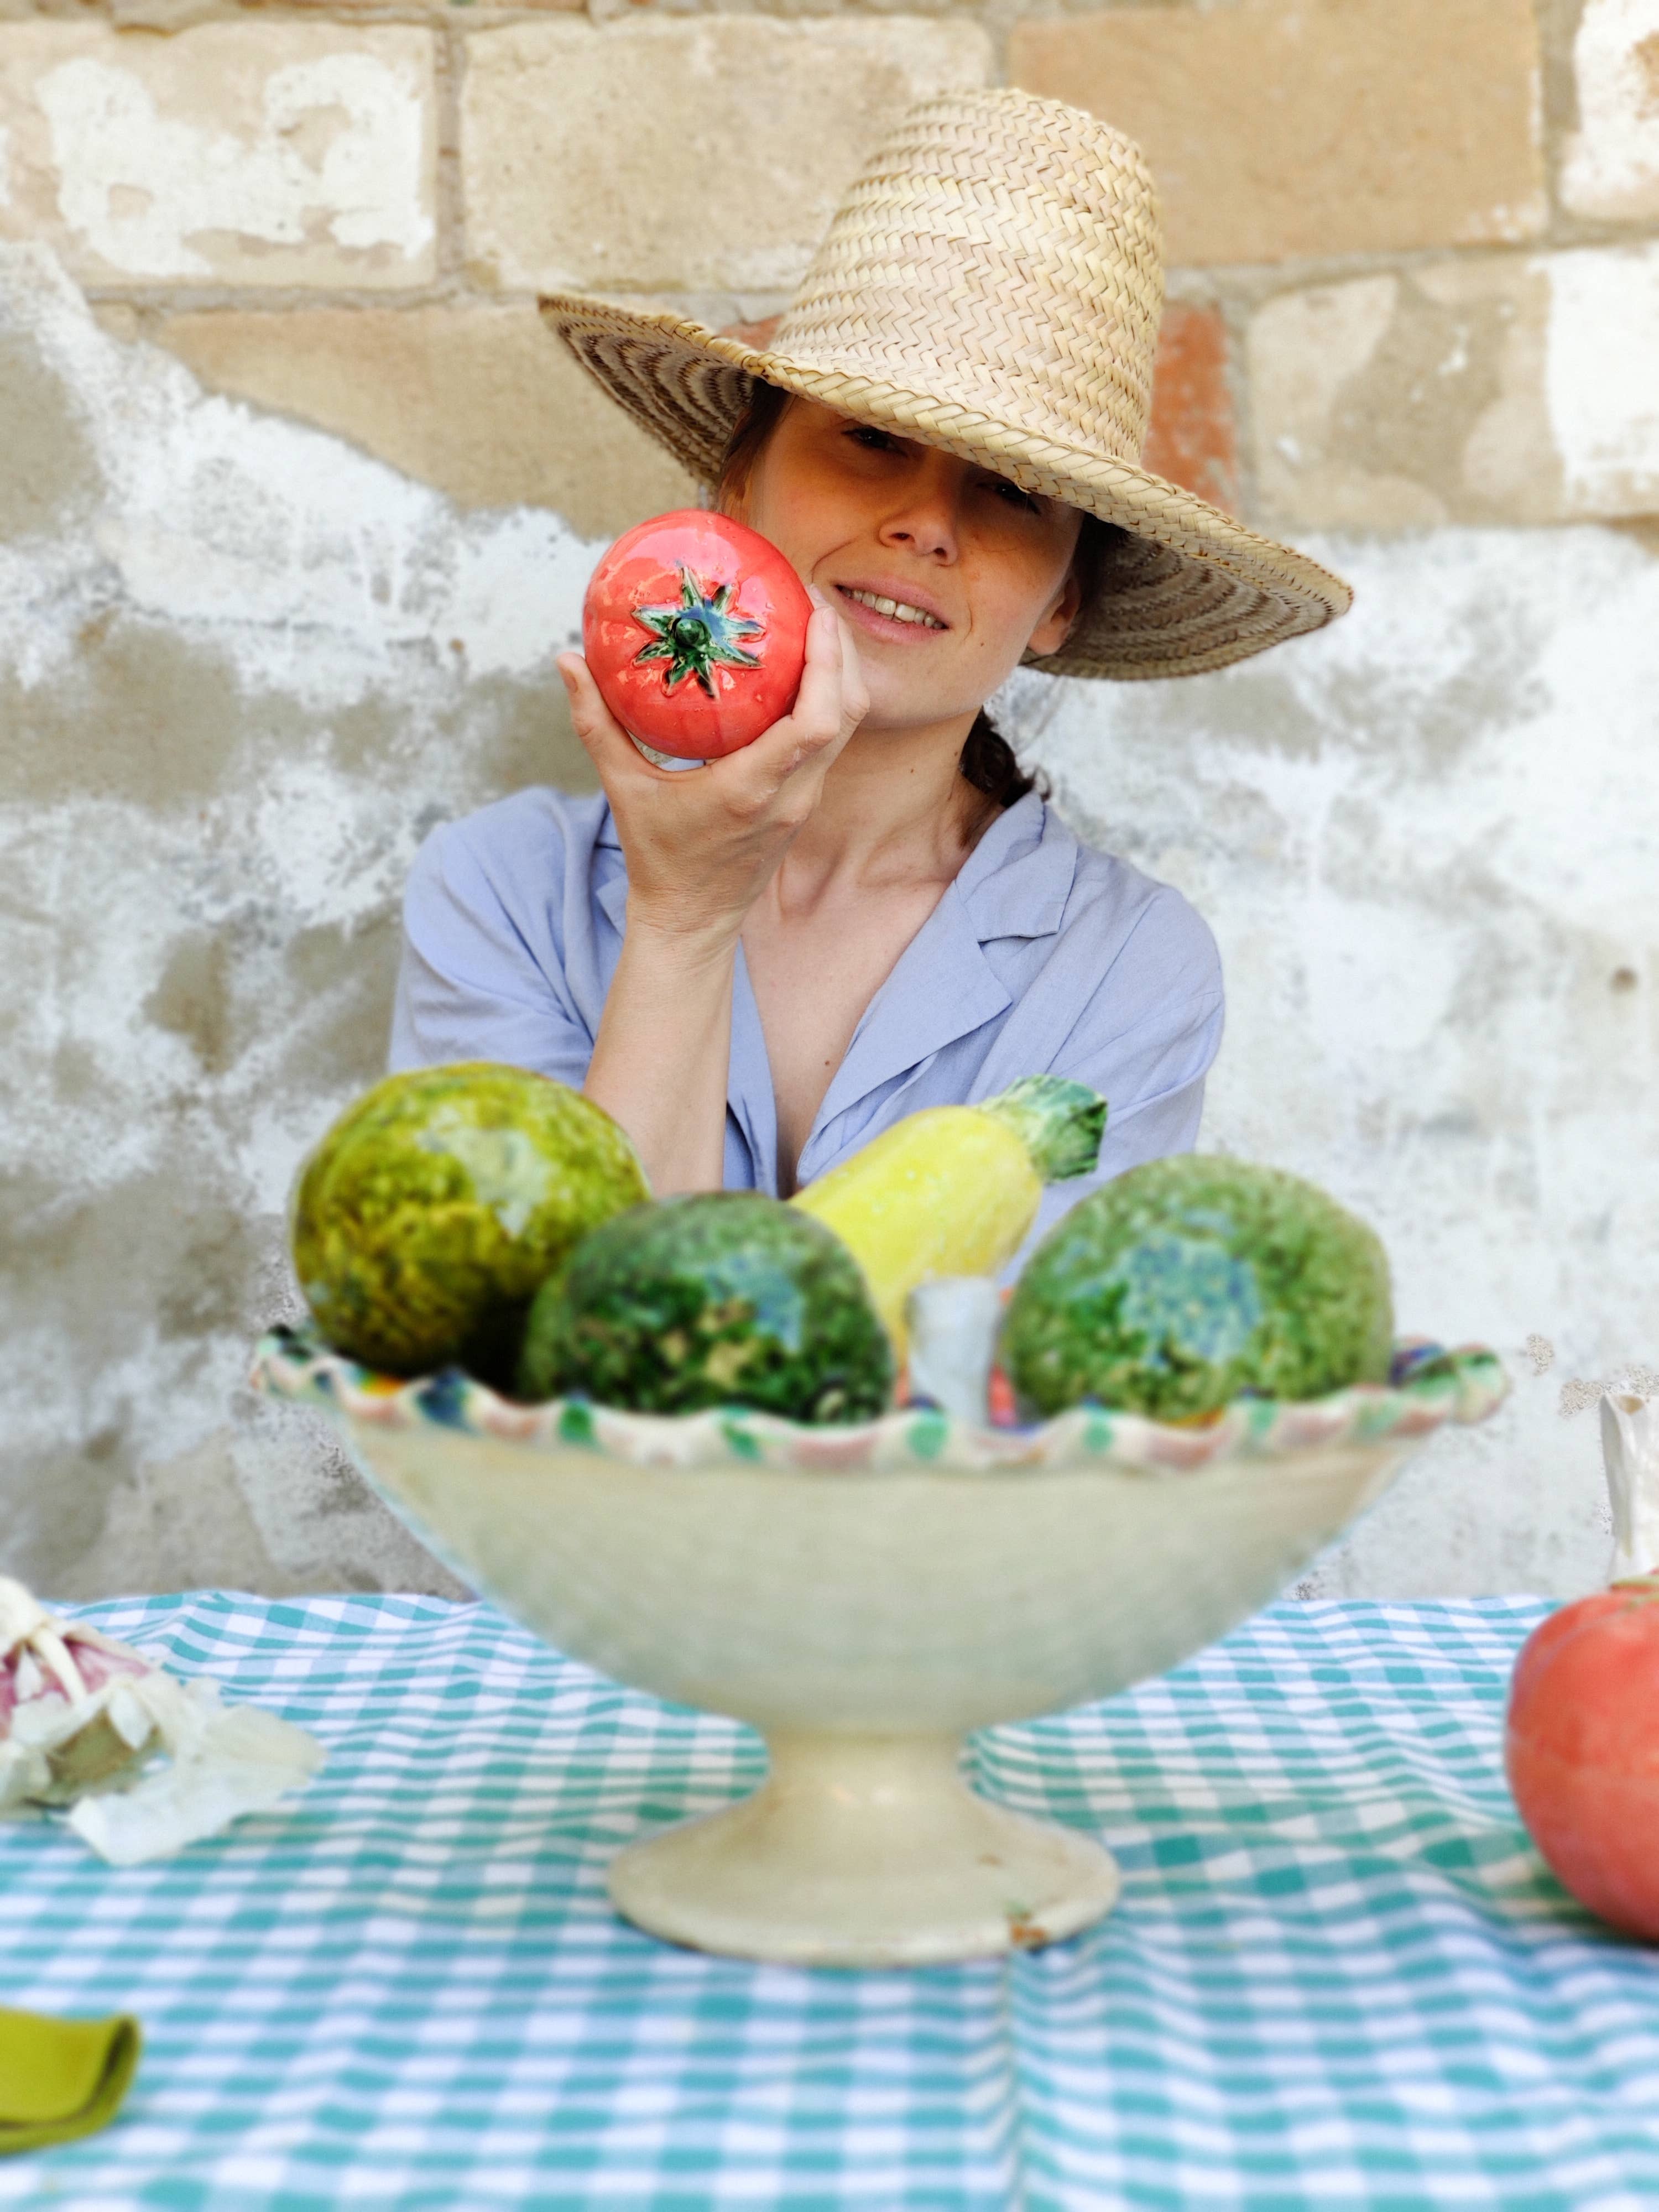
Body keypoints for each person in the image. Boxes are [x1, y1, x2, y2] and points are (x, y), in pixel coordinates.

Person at [390, 88, 1350, 1253]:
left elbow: (1007, 1403)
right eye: (873, 438)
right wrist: (683, 918)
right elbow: (560, 1375)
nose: (927, 522)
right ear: (739, 484)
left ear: (1064, 602)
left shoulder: (1128, 970)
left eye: (1009, 490)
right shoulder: (498, 894)